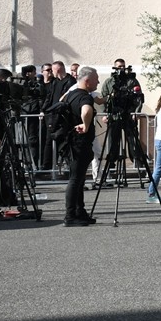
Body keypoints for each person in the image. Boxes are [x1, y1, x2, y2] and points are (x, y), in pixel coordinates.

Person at [63, 66, 100, 226]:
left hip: (69, 143)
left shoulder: (70, 95)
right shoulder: (84, 97)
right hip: (80, 144)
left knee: (78, 179)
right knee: (75, 179)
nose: (98, 81)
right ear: (87, 81)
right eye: (96, 79)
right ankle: (70, 216)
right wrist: (85, 125)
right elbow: (86, 111)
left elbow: (59, 102)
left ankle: (80, 211)